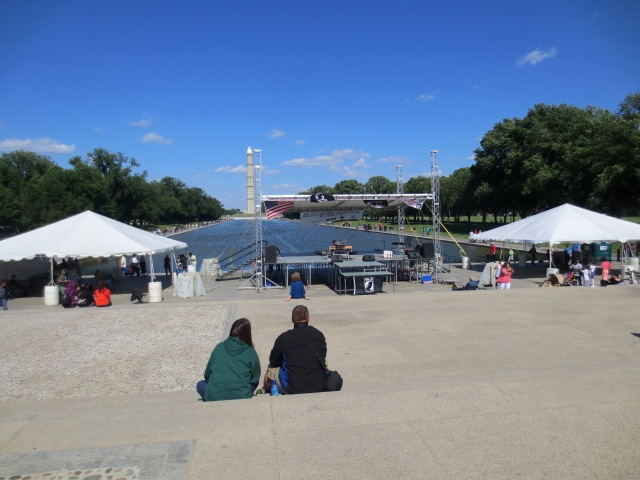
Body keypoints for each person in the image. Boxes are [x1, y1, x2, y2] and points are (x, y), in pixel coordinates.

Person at [260, 305, 327, 395]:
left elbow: (274, 361)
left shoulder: (284, 338)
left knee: (271, 367)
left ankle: (265, 389)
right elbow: (323, 355)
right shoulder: (319, 335)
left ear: (292, 319)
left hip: (292, 387)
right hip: (319, 385)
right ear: (308, 318)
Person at [196, 318, 261, 402]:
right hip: (241, 394)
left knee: (200, 384)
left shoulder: (218, 347)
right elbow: (255, 378)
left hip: (215, 396)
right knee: (251, 384)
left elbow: (207, 375)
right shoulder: (251, 351)